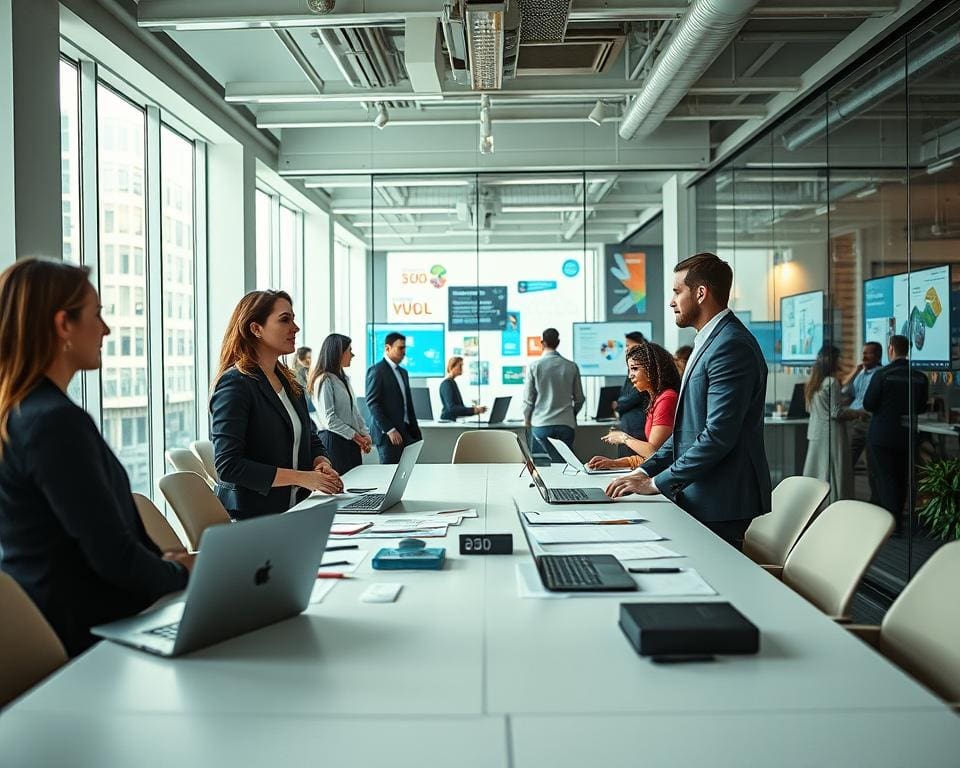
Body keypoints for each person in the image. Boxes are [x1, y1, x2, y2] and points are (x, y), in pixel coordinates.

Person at [0, 258, 192, 657]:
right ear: (63, 324)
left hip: (60, 620)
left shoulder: (20, 414)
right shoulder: (54, 422)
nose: (106, 329)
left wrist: (165, 564)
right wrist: (183, 572)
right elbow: (113, 558)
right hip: (93, 639)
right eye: (97, 314)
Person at [605, 253, 771, 549]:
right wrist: (643, 472)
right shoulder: (711, 340)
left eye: (677, 292)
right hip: (701, 493)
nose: (671, 302)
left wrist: (654, 483)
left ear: (701, 293)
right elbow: (686, 431)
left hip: (720, 499)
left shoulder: (730, 345)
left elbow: (717, 435)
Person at [210, 290, 342, 520]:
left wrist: (320, 461)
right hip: (253, 518)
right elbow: (229, 466)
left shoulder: (289, 383)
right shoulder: (236, 384)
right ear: (256, 329)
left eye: (293, 319)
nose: (295, 328)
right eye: (285, 320)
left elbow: (309, 436)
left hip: (295, 510)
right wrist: (303, 478)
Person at [863, 334, 929, 534]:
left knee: (885, 479)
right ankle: (897, 519)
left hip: (881, 435)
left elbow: (869, 403)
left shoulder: (882, 374)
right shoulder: (919, 377)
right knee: (902, 478)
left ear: (890, 349)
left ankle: (892, 524)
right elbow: (921, 407)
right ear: (908, 349)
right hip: (907, 435)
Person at [587, 341, 680, 471]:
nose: (630, 375)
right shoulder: (656, 400)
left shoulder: (667, 398)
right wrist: (613, 463)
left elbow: (654, 453)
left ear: (652, 369)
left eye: (635, 369)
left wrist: (623, 438)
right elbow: (650, 457)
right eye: (629, 370)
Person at [802, 344, 860, 503]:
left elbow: (811, 408)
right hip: (831, 433)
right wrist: (857, 413)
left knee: (818, 470)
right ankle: (835, 504)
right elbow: (836, 413)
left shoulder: (813, 381)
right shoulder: (832, 382)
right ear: (833, 360)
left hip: (816, 432)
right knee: (834, 471)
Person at [310, 333, 372, 474]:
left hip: (350, 442)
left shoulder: (344, 379)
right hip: (335, 443)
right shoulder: (324, 380)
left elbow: (354, 412)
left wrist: (365, 435)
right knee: (341, 484)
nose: (352, 355)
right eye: (349, 350)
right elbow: (330, 420)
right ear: (338, 353)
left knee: (356, 482)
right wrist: (358, 438)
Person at [522, 327, 585, 461]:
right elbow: (579, 398)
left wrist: (527, 420)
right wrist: (572, 414)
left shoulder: (534, 366)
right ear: (558, 342)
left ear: (542, 343)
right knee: (566, 464)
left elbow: (528, 399)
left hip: (541, 423)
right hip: (565, 424)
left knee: (542, 465)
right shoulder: (571, 366)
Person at [365, 332, 423, 464]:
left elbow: (407, 405)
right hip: (389, 435)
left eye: (405, 348)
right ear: (387, 348)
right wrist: (389, 429)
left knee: (409, 470)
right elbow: (372, 403)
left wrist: (416, 432)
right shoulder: (376, 371)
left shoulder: (403, 372)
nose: (404, 352)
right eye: (400, 348)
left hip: (406, 432)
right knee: (389, 472)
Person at [841, 341, 882, 502]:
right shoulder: (861, 373)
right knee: (847, 461)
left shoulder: (879, 375)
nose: (864, 356)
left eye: (868, 353)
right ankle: (846, 496)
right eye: (863, 353)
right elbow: (845, 391)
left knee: (871, 464)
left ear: (878, 356)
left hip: (868, 421)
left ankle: (874, 500)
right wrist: (855, 371)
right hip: (854, 420)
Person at [613, 331, 650, 458]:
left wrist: (618, 405)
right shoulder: (632, 367)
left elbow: (636, 394)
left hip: (637, 426)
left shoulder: (644, 368)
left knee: (633, 461)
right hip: (629, 425)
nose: (626, 349)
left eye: (629, 345)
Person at [439, 356, 487, 420]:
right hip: (449, 421)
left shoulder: (452, 382)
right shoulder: (447, 384)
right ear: (451, 367)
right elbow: (452, 408)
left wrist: (476, 410)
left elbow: (459, 408)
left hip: (453, 420)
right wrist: (474, 410)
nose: (462, 368)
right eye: (460, 366)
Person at [293, 346, 315, 413]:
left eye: (311, 357)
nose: (310, 360)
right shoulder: (296, 373)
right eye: (308, 357)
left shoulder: (307, 370)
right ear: (300, 358)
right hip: (306, 406)